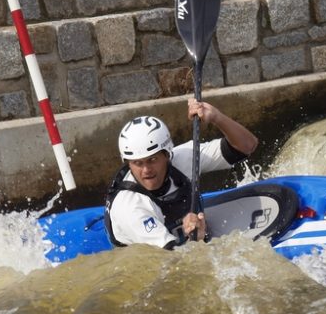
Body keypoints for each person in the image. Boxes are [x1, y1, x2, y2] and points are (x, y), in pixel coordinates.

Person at [103, 98, 258, 249]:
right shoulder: (131, 209)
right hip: (154, 259)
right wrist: (197, 242)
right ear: (128, 162)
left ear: (167, 155)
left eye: (153, 159)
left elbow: (247, 146)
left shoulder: (182, 158)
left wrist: (217, 117)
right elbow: (176, 265)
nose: (146, 170)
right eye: (137, 163)